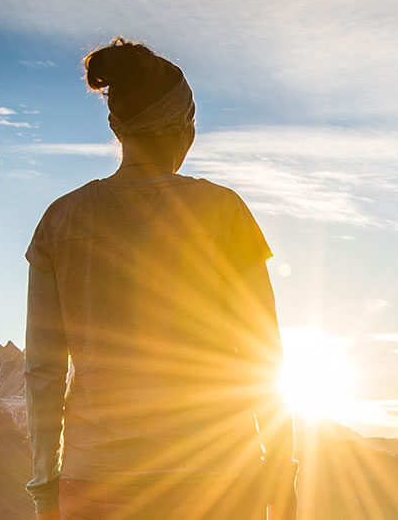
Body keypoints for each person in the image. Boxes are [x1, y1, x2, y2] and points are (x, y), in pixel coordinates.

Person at [24, 37, 296, 519]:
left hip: (97, 481)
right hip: (217, 480)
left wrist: (47, 485)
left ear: (116, 127)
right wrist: (280, 473)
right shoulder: (223, 212)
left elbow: (43, 371)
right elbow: (263, 356)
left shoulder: (60, 220)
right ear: (186, 128)